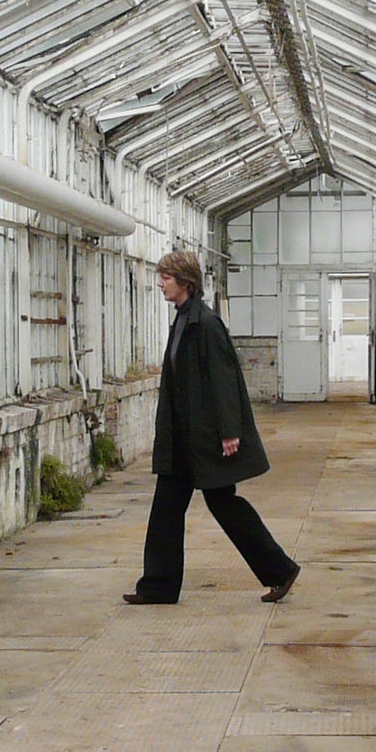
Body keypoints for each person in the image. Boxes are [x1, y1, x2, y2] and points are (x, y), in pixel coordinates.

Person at [123, 250, 301, 606]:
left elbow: (223, 380)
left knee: (225, 505)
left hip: (204, 440)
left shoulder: (205, 324)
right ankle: (158, 586)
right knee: (167, 510)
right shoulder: (184, 320)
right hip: (183, 440)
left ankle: (280, 569)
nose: (160, 284)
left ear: (185, 283)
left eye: (166, 278)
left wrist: (229, 431)